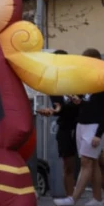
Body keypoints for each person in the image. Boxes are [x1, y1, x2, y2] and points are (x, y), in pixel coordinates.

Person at [54, 48, 104, 206]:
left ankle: (73, 198)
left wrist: (99, 134)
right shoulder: (87, 81)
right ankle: (97, 198)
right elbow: (87, 103)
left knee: (87, 162)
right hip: (82, 124)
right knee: (92, 162)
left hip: (94, 126)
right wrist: (79, 102)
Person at [37, 49, 80, 197]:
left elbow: (81, 103)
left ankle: (96, 197)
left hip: (82, 124)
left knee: (92, 163)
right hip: (65, 126)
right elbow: (58, 106)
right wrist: (53, 111)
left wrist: (60, 109)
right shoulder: (53, 85)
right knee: (68, 165)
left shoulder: (76, 81)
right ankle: (70, 197)